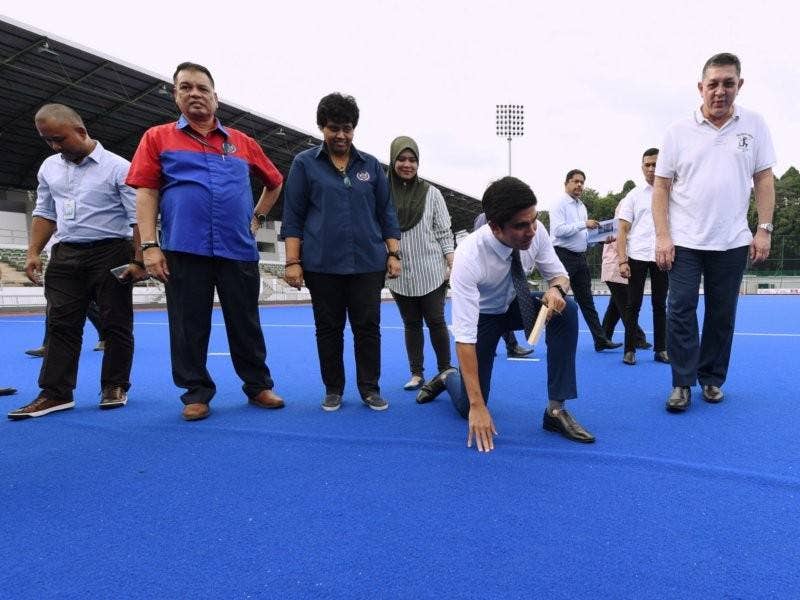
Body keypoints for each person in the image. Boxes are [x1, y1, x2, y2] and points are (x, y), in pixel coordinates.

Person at [126, 62, 285, 421]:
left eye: (202, 88)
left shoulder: (243, 143)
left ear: (217, 97)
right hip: (184, 247)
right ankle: (195, 392)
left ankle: (258, 385)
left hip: (237, 248)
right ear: (176, 95)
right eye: (186, 87)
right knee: (187, 324)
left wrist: (257, 218)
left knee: (245, 321)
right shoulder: (157, 137)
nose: (194, 93)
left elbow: (274, 181)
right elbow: (147, 192)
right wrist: (149, 246)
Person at [419, 176, 595, 451]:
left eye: (534, 220)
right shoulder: (468, 257)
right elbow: (464, 337)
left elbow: (559, 275)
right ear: (495, 227)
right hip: (484, 317)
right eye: (521, 226)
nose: (532, 231)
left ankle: (556, 410)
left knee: (567, 309)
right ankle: (447, 377)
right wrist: (477, 407)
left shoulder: (536, 232)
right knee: (469, 404)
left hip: (515, 304)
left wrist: (557, 291)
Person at [653, 52, 775, 412]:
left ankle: (711, 378)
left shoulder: (754, 124)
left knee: (722, 314)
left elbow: (764, 178)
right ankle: (682, 382)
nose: (720, 91)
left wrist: (763, 229)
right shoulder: (677, 131)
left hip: (733, 239)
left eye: (728, 83)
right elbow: (661, 187)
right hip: (686, 240)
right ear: (700, 87)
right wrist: (662, 236)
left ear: (740, 85)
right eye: (713, 84)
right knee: (680, 307)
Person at [8, 103, 145, 420]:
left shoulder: (118, 168)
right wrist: (32, 252)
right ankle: (55, 393)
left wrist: (139, 260)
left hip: (111, 250)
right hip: (66, 252)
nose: (55, 147)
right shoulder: (49, 167)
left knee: (115, 322)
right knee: (60, 325)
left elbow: (138, 218)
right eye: (48, 141)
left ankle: (114, 385)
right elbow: (45, 212)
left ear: (81, 131)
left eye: (59, 139)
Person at [281, 93, 401, 412]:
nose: (341, 135)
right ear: (322, 127)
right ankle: (333, 388)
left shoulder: (371, 166)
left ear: (354, 129)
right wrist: (293, 261)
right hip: (322, 264)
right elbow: (293, 215)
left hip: (367, 263)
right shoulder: (304, 164)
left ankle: (369, 388)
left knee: (368, 327)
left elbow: (386, 213)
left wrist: (393, 253)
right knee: (328, 328)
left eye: (347, 128)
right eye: (334, 128)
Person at [385, 136, 454, 393]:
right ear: (393, 160)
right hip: (399, 272)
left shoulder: (431, 193)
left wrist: (450, 260)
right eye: (401, 159)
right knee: (411, 322)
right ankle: (416, 374)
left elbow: (443, 231)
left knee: (435, 319)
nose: (407, 164)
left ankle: (445, 369)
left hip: (431, 270)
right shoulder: (381, 192)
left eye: (412, 160)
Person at [550, 169, 621, 352]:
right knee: (558, 299)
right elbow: (558, 231)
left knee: (587, 301)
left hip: (580, 257)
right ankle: (553, 340)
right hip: (562, 256)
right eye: (575, 181)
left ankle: (600, 340)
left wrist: (600, 240)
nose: (579, 185)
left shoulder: (582, 206)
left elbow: (584, 236)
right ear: (566, 183)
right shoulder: (558, 203)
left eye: (582, 182)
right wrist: (584, 224)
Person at [617, 148, 670, 366]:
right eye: (647, 165)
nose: (651, 168)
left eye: (655, 164)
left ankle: (661, 349)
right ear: (642, 168)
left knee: (660, 305)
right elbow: (622, 230)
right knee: (633, 305)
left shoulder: (672, 193)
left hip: (662, 256)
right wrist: (622, 260)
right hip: (637, 256)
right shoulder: (633, 196)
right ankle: (629, 350)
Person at [472, 212, 534, 359]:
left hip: (505, 269)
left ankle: (508, 346)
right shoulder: (482, 219)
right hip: (488, 274)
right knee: (490, 311)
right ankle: (502, 346)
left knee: (501, 308)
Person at [599, 209, 649, 354]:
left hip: (614, 271)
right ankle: (638, 338)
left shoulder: (618, 227)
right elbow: (622, 247)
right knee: (626, 306)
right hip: (615, 271)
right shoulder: (618, 228)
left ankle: (602, 338)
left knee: (615, 308)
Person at [25, 299, 105, 357]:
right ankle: (48, 346)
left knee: (87, 304)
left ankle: (106, 337)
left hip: (80, 278)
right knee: (53, 305)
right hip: (60, 278)